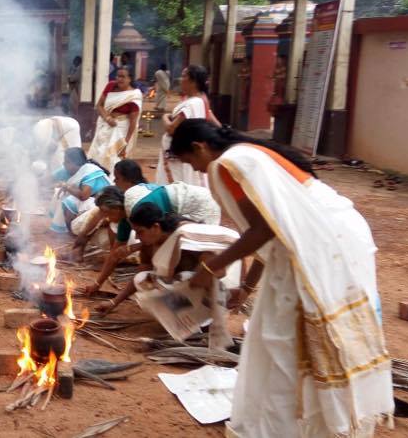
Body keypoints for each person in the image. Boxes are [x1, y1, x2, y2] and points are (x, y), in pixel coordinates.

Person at [169, 119, 391, 437]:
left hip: (318, 244)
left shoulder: (229, 163)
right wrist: (246, 288)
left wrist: (209, 269)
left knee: (284, 341)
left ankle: (294, 427)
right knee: (294, 336)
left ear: (198, 147)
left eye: (192, 162)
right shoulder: (252, 153)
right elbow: (273, 233)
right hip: (338, 238)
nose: (200, 172)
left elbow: (263, 231)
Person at [94, 202, 241, 349]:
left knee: (184, 277)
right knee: (143, 280)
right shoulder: (149, 244)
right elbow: (141, 274)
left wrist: (204, 280)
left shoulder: (183, 237)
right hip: (188, 290)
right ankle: (185, 324)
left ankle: (202, 325)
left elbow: (216, 267)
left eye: (140, 232)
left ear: (156, 227)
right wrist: (114, 302)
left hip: (217, 290)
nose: (138, 237)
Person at [82, 178, 223, 297]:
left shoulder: (138, 210)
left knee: (194, 256)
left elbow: (159, 238)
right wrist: (97, 284)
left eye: (106, 212)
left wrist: (132, 248)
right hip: (180, 212)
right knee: (167, 258)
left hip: (200, 206)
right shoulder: (126, 216)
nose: (106, 217)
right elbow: (115, 253)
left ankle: (203, 300)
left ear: (117, 208)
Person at [155, 65, 218, 187]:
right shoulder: (199, 99)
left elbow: (171, 129)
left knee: (177, 183)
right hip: (187, 149)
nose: (180, 79)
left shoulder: (192, 103)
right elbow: (209, 116)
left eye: (184, 76)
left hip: (178, 150)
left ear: (193, 81)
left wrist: (165, 117)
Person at [88, 65, 143, 171]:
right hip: (105, 125)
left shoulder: (134, 96)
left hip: (121, 129)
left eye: (123, 77)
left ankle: (112, 183)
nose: (119, 79)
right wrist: (107, 118)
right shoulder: (111, 86)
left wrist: (125, 143)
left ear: (129, 79)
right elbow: (99, 105)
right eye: (118, 76)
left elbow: (133, 122)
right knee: (98, 154)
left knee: (112, 158)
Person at [49, 147, 112, 233]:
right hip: (93, 200)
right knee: (60, 193)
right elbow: (49, 178)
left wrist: (66, 186)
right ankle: (70, 229)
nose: (64, 163)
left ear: (76, 163)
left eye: (67, 162)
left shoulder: (89, 170)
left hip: (106, 203)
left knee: (69, 200)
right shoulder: (68, 170)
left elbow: (84, 196)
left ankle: (72, 232)